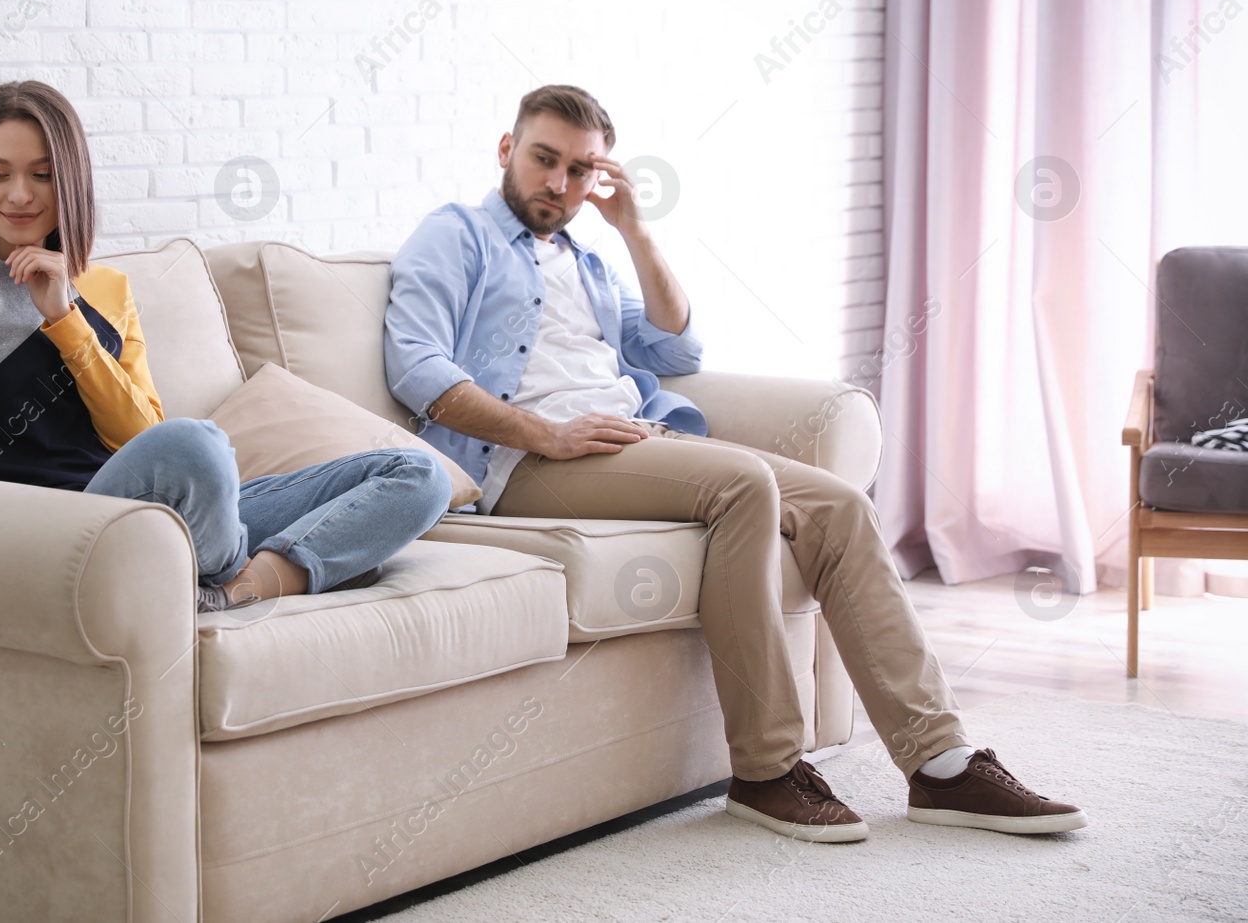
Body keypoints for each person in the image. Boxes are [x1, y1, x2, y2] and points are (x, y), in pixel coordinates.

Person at [383, 84, 1085, 841]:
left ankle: (941, 764)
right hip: (525, 463)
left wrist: (635, 231)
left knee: (842, 505)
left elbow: (677, 348)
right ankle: (767, 770)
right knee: (744, 483)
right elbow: (415, 366)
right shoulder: (455, 235)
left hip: (633, 438)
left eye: (581, 171)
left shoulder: (586, 260)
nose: (560, 184)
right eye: (544, 160)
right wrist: (544, 433)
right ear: (506, 151)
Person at [0, 80, 451, 613]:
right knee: (198, 444)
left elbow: (136, 432)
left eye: (42, 174)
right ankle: (241, 569)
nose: (19, 195)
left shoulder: (107, 290)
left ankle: (233, 590)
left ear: (73, 178)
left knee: (416, 475)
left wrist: (65, 317)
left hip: (151, 508)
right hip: (59, 528)